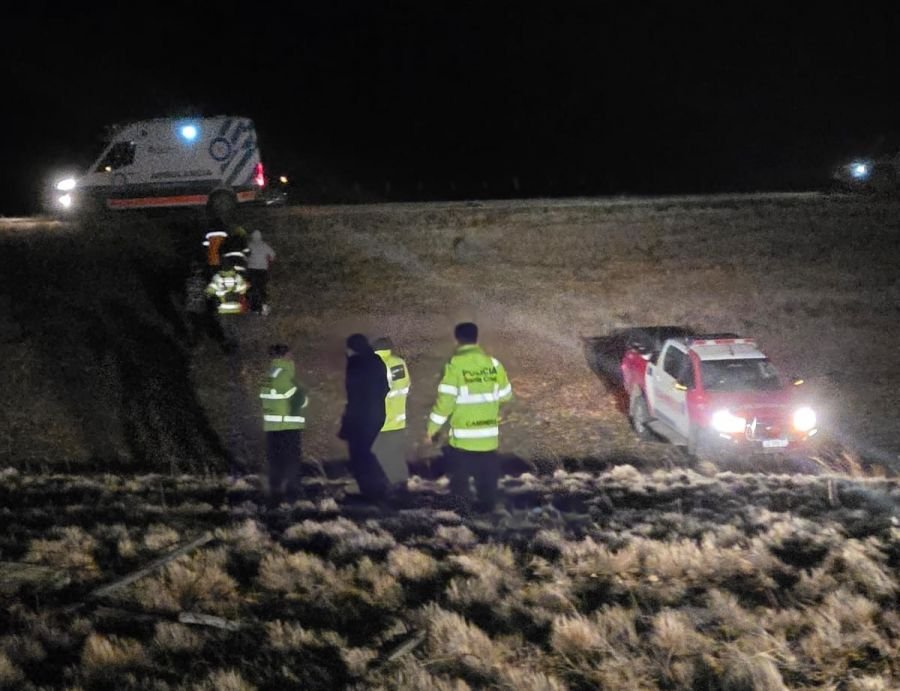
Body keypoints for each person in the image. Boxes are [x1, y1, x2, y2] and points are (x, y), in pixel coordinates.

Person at [425, 322, 513, 512]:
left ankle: (462, 514)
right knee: (487, 483)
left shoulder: (454, 365)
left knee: (460, 483)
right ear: (477, 338)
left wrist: (432, 429)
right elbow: (506, 395)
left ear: (456, 339)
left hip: (463, 440)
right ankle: (488, 513)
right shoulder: (494, 364)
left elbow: (445, 403)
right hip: (488, 438)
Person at [339, 334, 390, 500]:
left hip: (360, 417)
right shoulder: (377, 361)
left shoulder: (355, 363)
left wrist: (348, 420)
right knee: (369, 451)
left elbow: (353, 394)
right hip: (377, 414)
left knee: (359, 454)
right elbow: (385, 388)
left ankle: (370, 490)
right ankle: (380, 486)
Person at [259, 344, 308, 503]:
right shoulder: (285, 375)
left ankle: (275, 490)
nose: (292, 358)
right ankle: (293, 491)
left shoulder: (269, 375)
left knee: (276, 459)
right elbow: (300, 399)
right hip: (288, 426)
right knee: (291, 459)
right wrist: (303, 396)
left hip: (273, 426)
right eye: (290, 355)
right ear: (284, 356)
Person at [372, 337, 411, 490]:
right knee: (396, 456)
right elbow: (405, 386)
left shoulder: (374, 365)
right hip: (398, 420)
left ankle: (385, 489)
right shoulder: (399, 363)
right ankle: (402, 488)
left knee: (379, 456)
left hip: (380, 422)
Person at [246, 229, 276, 315]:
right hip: (262, 270)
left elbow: (245, 256)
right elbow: (273, 255)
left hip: (251, 270)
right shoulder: (264, 245)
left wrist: (248, 261)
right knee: (262, 288)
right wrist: (269, 260)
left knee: (252, 288)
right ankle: (263, 305)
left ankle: (253, 307)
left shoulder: (249, 245)